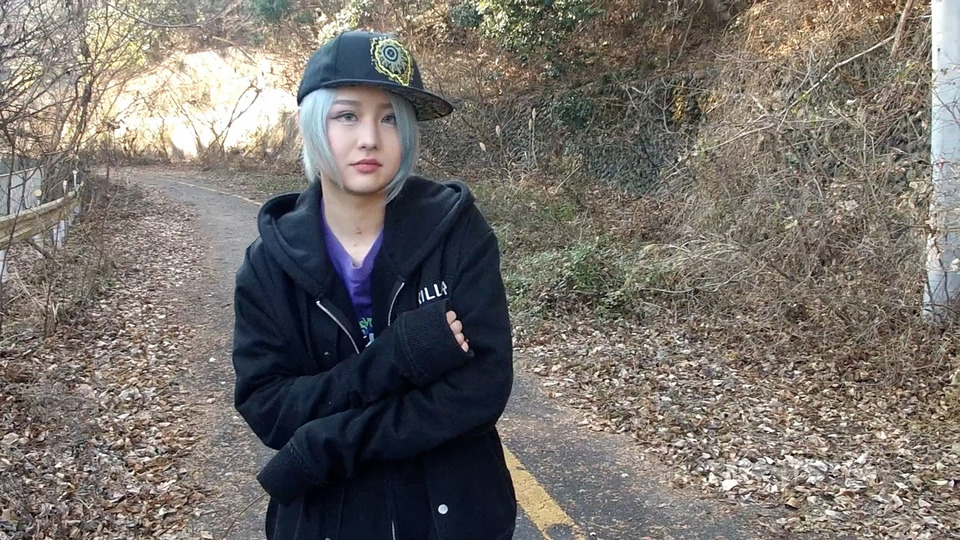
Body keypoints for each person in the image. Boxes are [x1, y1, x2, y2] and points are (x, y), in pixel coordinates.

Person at [231, 30, 517, 540]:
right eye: (347, 116)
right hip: (327, 520)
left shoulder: (457, 232)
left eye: (389, 118)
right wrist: (397, 357)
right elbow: (269, 407)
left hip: (453, 516)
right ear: (312, 125)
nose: (370, 138)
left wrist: (327, 443)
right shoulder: (269, 265)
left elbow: (481, 388)